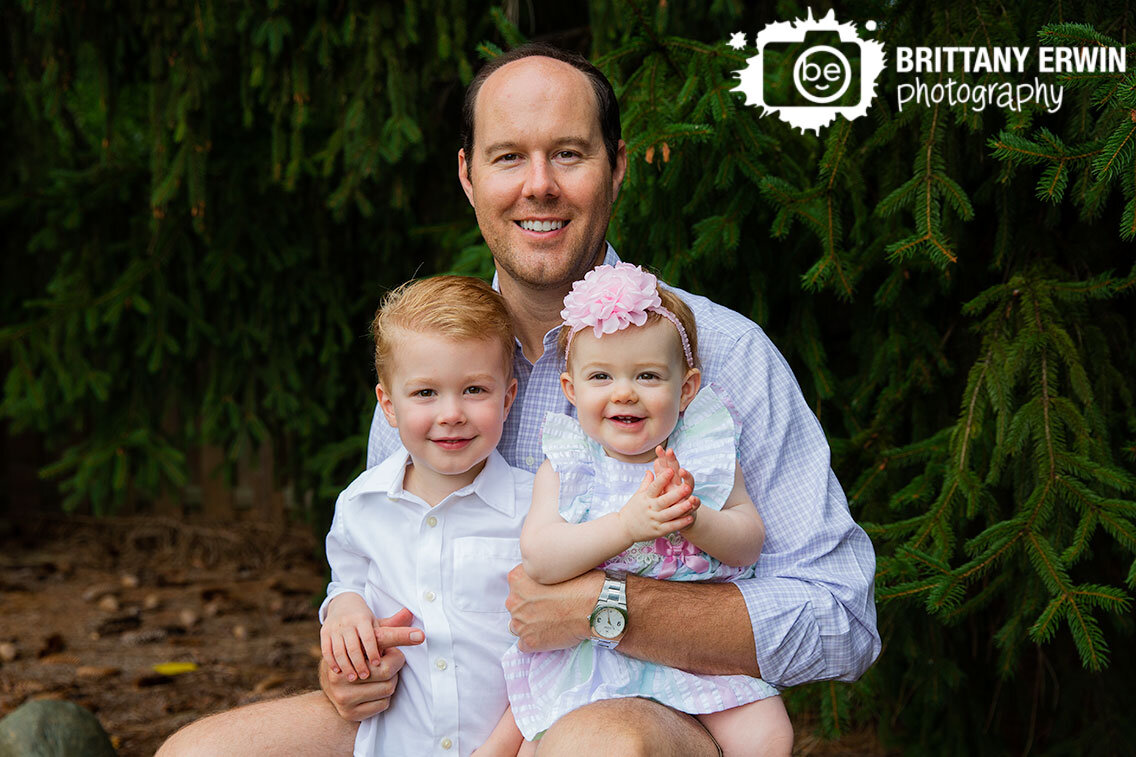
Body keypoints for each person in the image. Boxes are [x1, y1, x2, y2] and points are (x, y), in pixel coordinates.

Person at [158, 41, 878, 757]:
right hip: (445, 708)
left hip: (641, 707)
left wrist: (615, 609)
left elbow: (843, 616)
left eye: (568, 153)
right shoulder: (432, 356)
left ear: (617, 167)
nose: (539, 185)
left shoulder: (716, 353)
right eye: (509, 157)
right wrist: (349, 651)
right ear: (469, 176)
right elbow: (376, 562)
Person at [494, 262, 794, 756]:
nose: (624, 391)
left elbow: (748, 543)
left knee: (769, 734)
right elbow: (540, 558)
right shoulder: (570, 464)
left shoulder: (705, 454)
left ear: (687, 389)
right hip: (591, 657)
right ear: (572, 390)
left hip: (693, 653)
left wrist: (697, 518)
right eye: (601, 376)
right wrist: (625, 525)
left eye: (648, 375)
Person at [319, 274, 530, 757]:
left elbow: (551, 653)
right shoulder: (361, 505)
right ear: (388, 406)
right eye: (425, 394)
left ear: (509, 397)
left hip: (509, 745)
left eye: (475, 389)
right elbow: (346, 581)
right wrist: (346, 609)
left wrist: (500, 749)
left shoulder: (533, 510)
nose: (451, 413)